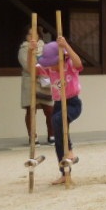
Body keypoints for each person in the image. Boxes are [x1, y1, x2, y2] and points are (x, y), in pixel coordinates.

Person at [34, 36, 83, 185]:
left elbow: (78, 63)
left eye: (53, 63)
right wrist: (32, 51)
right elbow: (33, 67)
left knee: (58, 120)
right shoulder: (50, 70)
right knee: (58, 139)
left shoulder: (69, 65)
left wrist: (66, 45)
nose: (51, 67)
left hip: (73, 103)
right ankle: (64, 173)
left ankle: (71, 151)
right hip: (58, 103)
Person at [18, 25, 54, 146]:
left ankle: (51, 135)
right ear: (25, 36)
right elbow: (28, 67)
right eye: (29, 34)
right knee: (31, 110)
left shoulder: (46, 48)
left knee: (49, 110)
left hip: (45, 82)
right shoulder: (23, 49)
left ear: (39, 35)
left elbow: (51, 62)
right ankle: (32, 136)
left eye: (34, 34)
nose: (32, 37)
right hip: (30, 82)